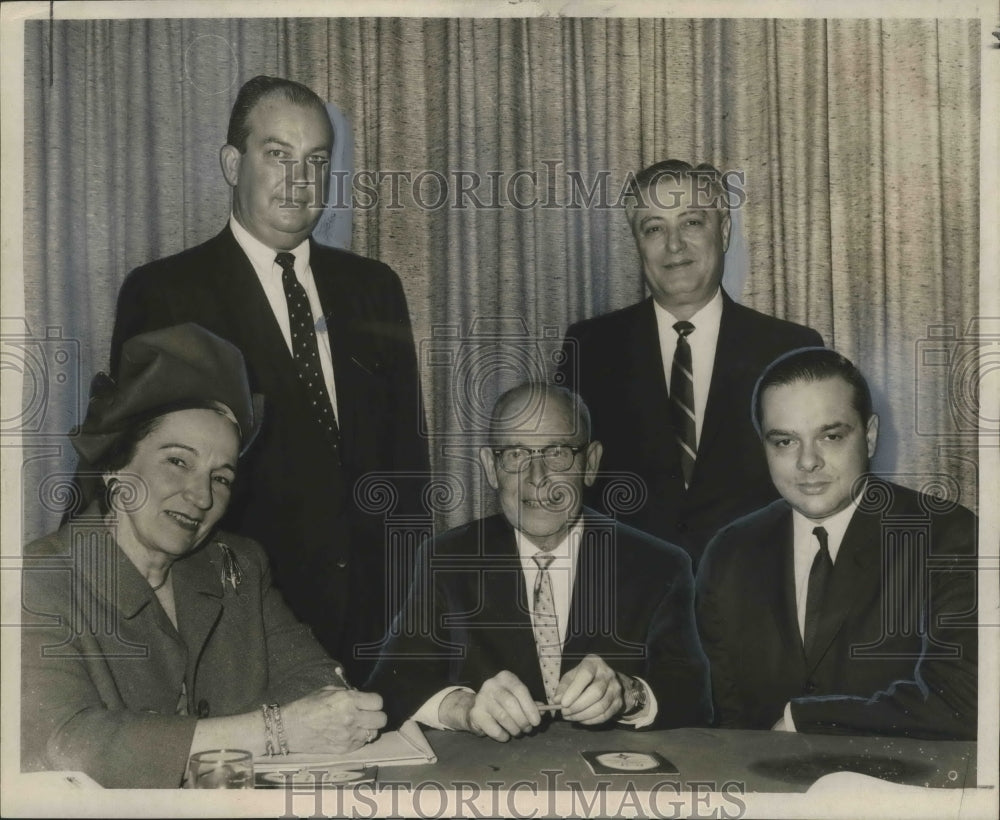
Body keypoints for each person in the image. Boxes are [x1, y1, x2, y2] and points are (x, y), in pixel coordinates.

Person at [110, 76, 429, 681]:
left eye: (316, 161)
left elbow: (406, 466)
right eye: (277, 154)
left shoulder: (374, 288)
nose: (299, 179)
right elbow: (141, 477)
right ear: (233, 163)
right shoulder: (166, 293)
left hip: (373, 625)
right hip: (236, 627)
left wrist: (409, 611)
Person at [20, 324, 387, 788]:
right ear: (116, 466)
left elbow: (315, 677)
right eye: (177, 461)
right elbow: (64, 744)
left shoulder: (237, 564)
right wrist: (274, 730)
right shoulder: (38, 579)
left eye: (222, 478)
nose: (200, 496)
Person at [366, 382, 712, 740]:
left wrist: (628, 694)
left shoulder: (659, 566)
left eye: (557, 452)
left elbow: (695, 699)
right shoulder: (446, 559)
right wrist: (464, 709)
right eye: (516, 454)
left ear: (590, 463)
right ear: (490, 467)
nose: (537, 477)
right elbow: (392, 685)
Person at [695, 347, 977, 739]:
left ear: (871, 436)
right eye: (784, 442)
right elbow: (725, 720)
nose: (807, 462)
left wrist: (805, 720)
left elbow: (964, 701)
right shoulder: (729, 552)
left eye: (830, 436)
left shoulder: (949, 536)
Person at [558, 159, 823, 566]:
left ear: (725, 231)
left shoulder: (790, 347)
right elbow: (565, 490)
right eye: (654, 228)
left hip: (757, 600)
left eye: (692, 223)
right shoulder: (590, 348)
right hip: (629, 605)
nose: (674, 244)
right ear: (637, 243)